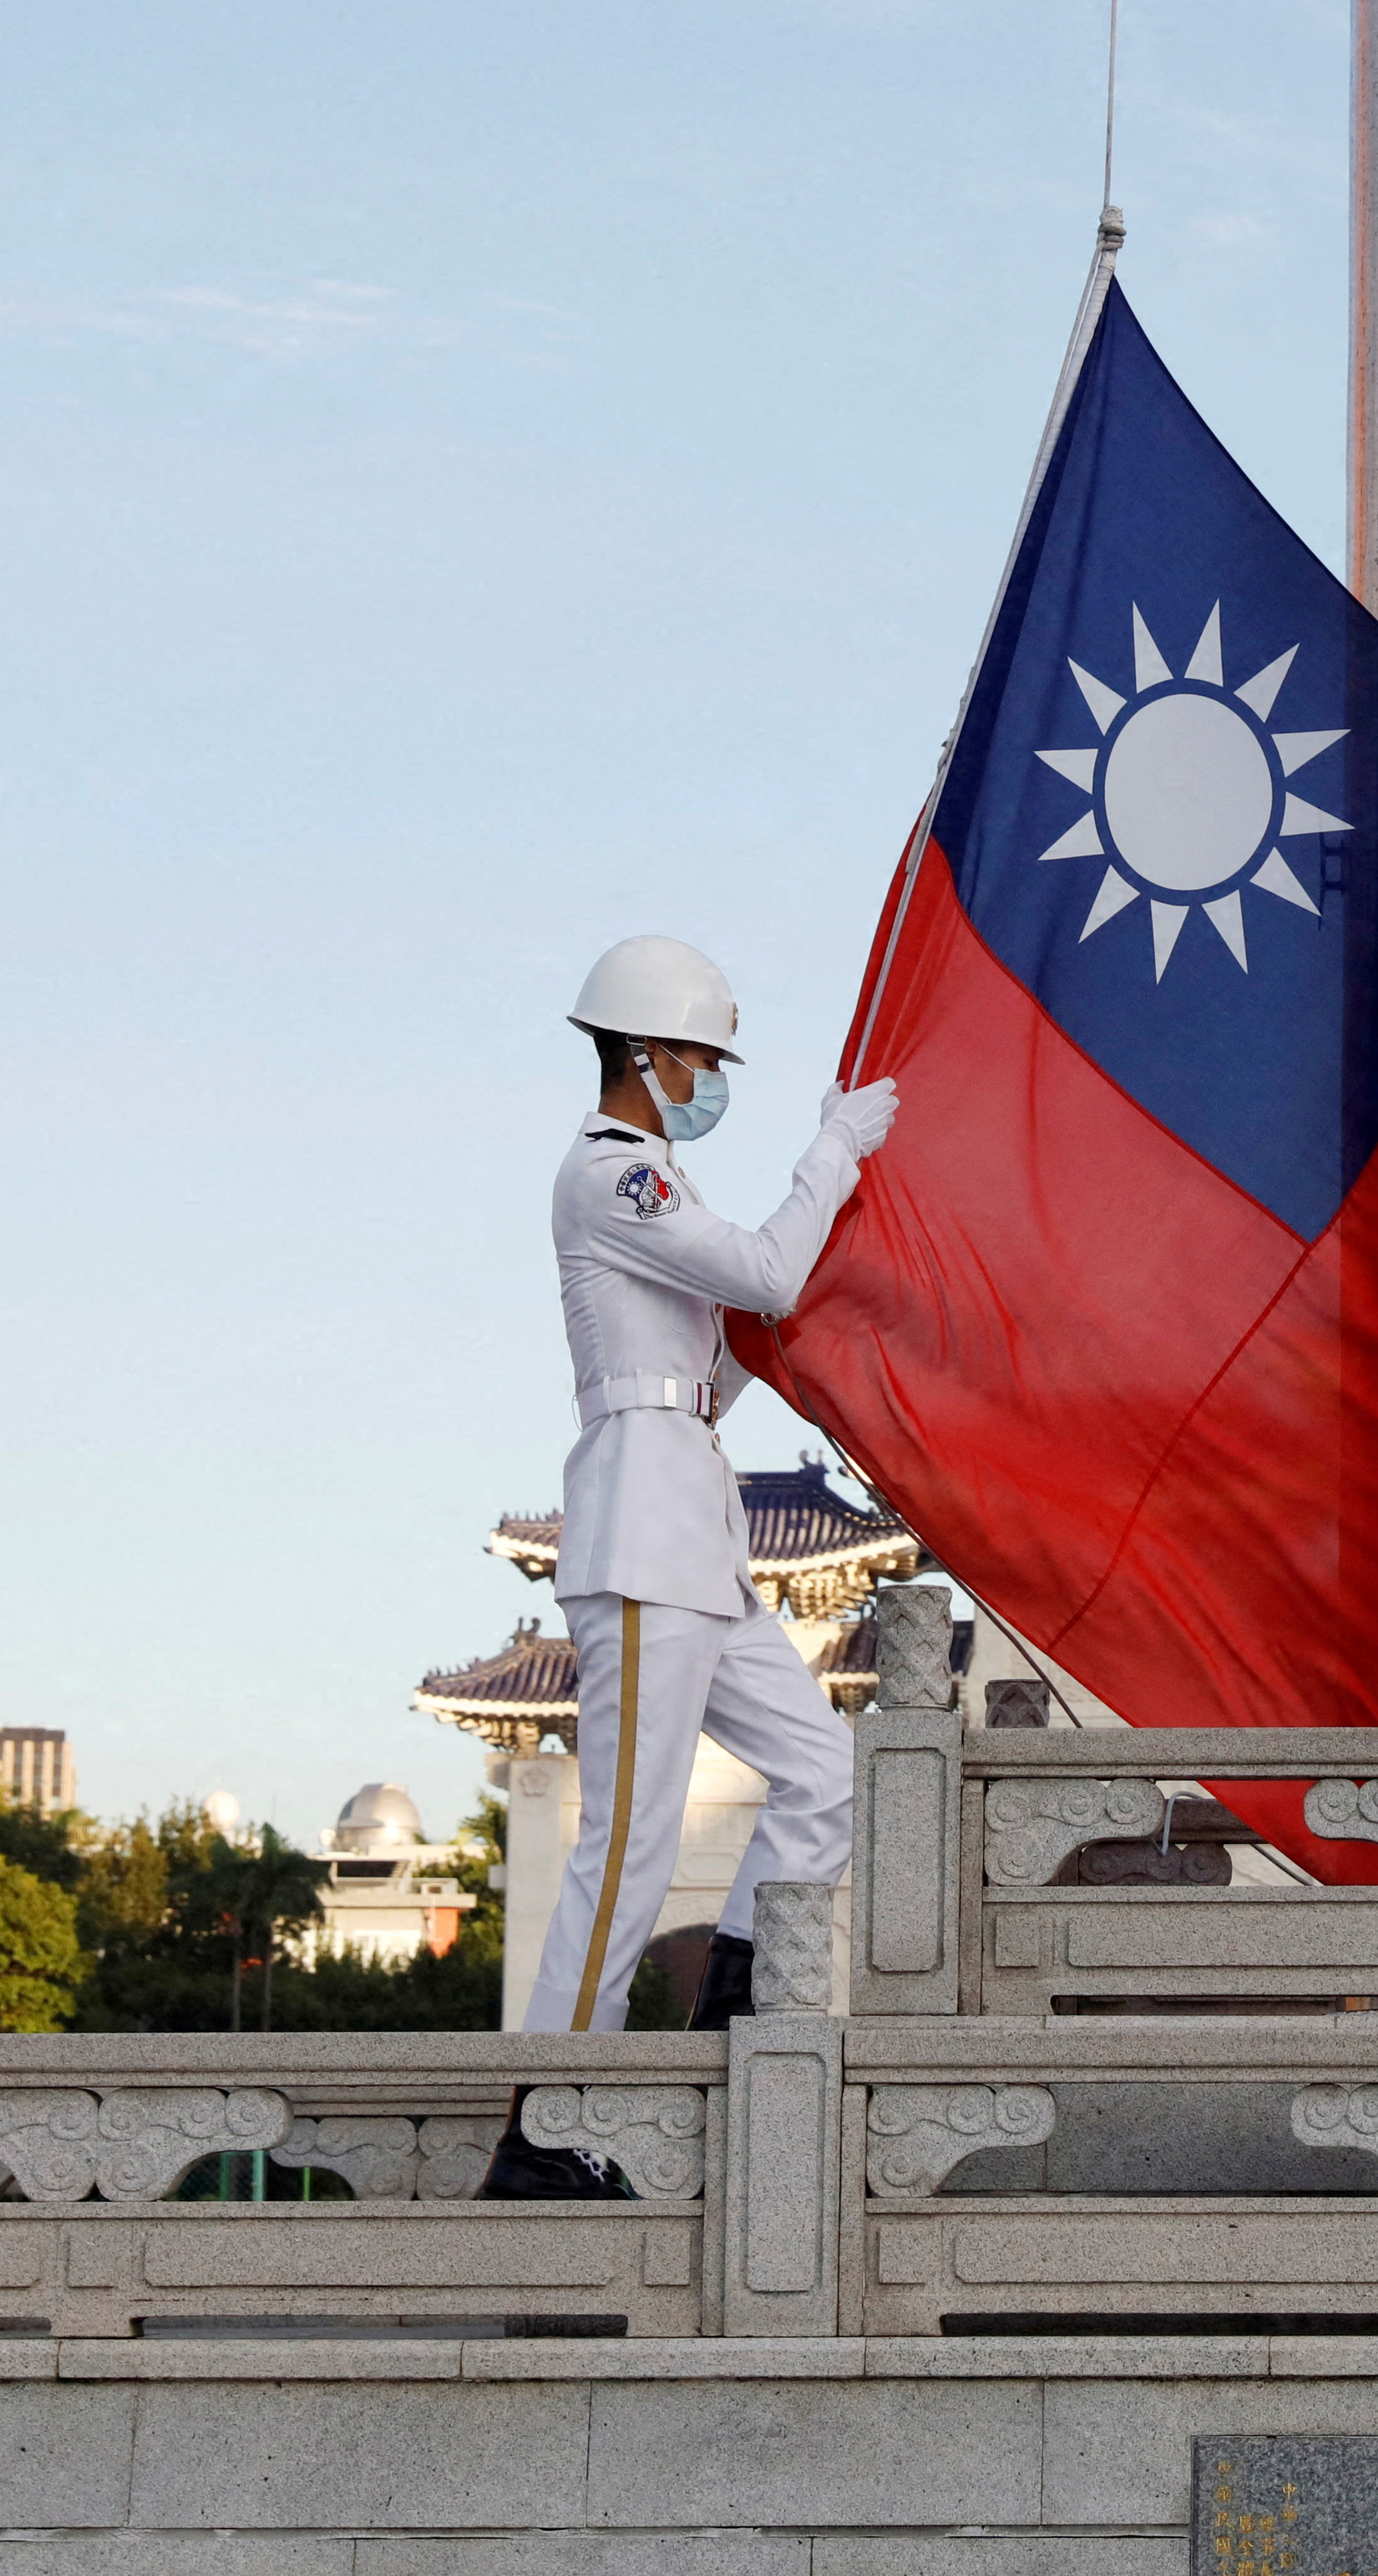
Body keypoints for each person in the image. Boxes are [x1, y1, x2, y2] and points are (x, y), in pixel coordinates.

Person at [484, 934, 902, 2198]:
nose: (712, 1076)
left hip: (698, 1537)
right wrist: (833, 1154)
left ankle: (728, 1999)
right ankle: (545, 2134)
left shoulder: (660, 1187)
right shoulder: (614, 1181)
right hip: (638, 1532)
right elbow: (766, 1271)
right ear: (645, 1054)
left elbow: (724, 1356)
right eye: (702, 1056)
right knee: (626, 1849)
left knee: (828, 1772)